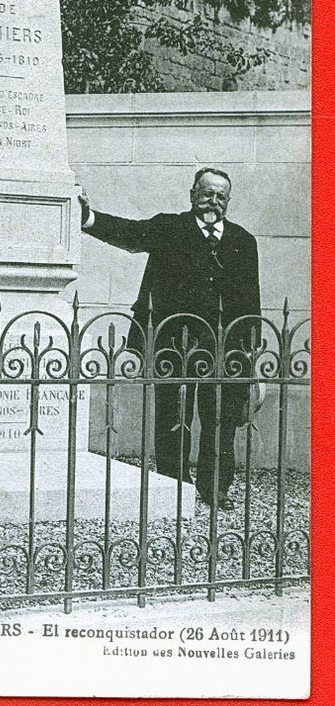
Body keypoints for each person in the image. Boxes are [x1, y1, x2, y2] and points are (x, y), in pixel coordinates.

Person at [79, 168, 261, 510]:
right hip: (174, 345)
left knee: (219, 420)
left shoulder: (242, 241)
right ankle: (174, 485)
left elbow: (251, 300)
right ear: (193, 194)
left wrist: (250, 354)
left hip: (223, 349)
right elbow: (130, 234)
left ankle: (215, 488)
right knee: (173, 417)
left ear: (228, 202)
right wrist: (88, 217)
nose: (213, 202)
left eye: (221, 197)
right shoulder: (170, 228)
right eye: (207, 193)